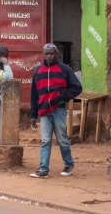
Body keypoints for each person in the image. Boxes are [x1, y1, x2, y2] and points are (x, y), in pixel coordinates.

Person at [29, 43, 82, 178]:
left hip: (59, 109)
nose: (48, 56)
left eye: (51, 53)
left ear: (56, 54)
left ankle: (69, 164)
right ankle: (43, 169)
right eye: (46, 53)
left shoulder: (64, 69)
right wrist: (33, 115)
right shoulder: (38, 71)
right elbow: (34, 94)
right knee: (45, 140)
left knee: (62, 139)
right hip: (44, 111)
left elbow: (77, 87)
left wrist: (63, 97)